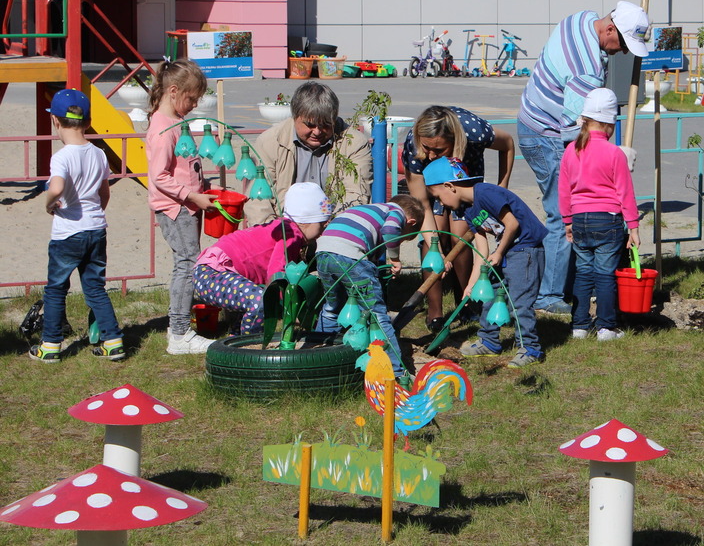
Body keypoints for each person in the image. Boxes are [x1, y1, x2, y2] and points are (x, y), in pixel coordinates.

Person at [517, 1, 649, 315]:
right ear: (609, 29)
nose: (624, 53)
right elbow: (576, 134)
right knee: (562, 211)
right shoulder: (585, 69)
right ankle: (548, 295)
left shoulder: (582, 18)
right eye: (623, 44)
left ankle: (570, 279)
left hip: (531, 117)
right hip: (545, 133)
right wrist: (614, 156)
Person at [423, 157, 547, 368]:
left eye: (438, 197)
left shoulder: (486, 193)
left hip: (525, 250)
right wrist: (472, 284)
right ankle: (489, 342)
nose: (441, 204)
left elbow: (512, 223)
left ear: (449, 186)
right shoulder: (466, 210)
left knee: (519, 302)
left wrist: (499, 252)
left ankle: (530, 348)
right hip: (505, 251)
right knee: (488, 292)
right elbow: (482, 251)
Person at [30, 89, 125, 363]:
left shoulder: (62, 156)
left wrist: (49, 203)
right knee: (95, 287)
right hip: (96, 228)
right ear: (88, 120)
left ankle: (50, 344)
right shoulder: (98, 153)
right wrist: (94, 214)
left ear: (55, 122)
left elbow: (57, 186)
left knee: (56, 288)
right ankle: (113, 340)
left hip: (67, 232)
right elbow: (104, 194)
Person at [401, 105, 515, 331]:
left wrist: (502, 189)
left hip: (463, 181)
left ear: (455, 141)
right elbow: (423, 204)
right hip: (431, 186)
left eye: (439, 150)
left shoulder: (474, 132)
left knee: (460, 235)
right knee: (434, 240)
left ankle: (467, 304)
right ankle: (435, 314)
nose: (432, 155)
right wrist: (438, 251)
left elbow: (508, 144)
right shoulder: (415, 147)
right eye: (428, 148)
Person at [145, 58, 219, 355]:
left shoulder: (175, 122)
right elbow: (159, 176)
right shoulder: (163, 129)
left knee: (189, 262)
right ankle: (179, 334)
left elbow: (183, 165)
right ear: (173, 91)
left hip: (188, 205)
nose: (194, 104)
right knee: (187, 264)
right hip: (176, 208)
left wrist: (202, 188)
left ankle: (181, 325)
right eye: (191, 98)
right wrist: (192, 196)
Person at [193, 183, 333, 335]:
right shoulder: (291, 235)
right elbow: (276, 276)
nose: (322, 231)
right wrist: (288, 307)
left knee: (252, 297)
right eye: (321, 224)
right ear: (306, 221)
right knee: (260, 301)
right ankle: (250, 347)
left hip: (211, 271)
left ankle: (235, 343)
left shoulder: (285, 228)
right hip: (213, 273)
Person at [558, 88, 641, 341]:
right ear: (609, 124)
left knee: (583, 272)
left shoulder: (572, 150)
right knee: (605, 275)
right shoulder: (615, 153)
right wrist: (634, 226)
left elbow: (564, 190)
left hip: (580, 219)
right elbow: (625, 192)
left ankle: (579, 326)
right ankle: (606, 326)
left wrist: (567, 222)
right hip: (608, 219)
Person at [313, 194, 425, 377]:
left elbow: (370, 252)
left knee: (333, 306)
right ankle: (395, 373)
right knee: (376, 314)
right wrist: (395, 258)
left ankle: (319, 358)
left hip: (324, 254)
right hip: (349, 256)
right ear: (410, 222)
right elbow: (390, 231)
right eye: (404, 238)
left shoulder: (369, 211)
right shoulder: (395, 212)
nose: (400, 241)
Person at [245, 81, 371, 227]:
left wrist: (335, 230)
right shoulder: (269, 142)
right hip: (284, 230)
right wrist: (272, 235)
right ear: (295, 117)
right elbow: (258, 200)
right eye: (310, 125)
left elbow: (356, 195)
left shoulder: (354, 143)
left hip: (332, 229)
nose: (317, 132)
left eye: (325, 124)